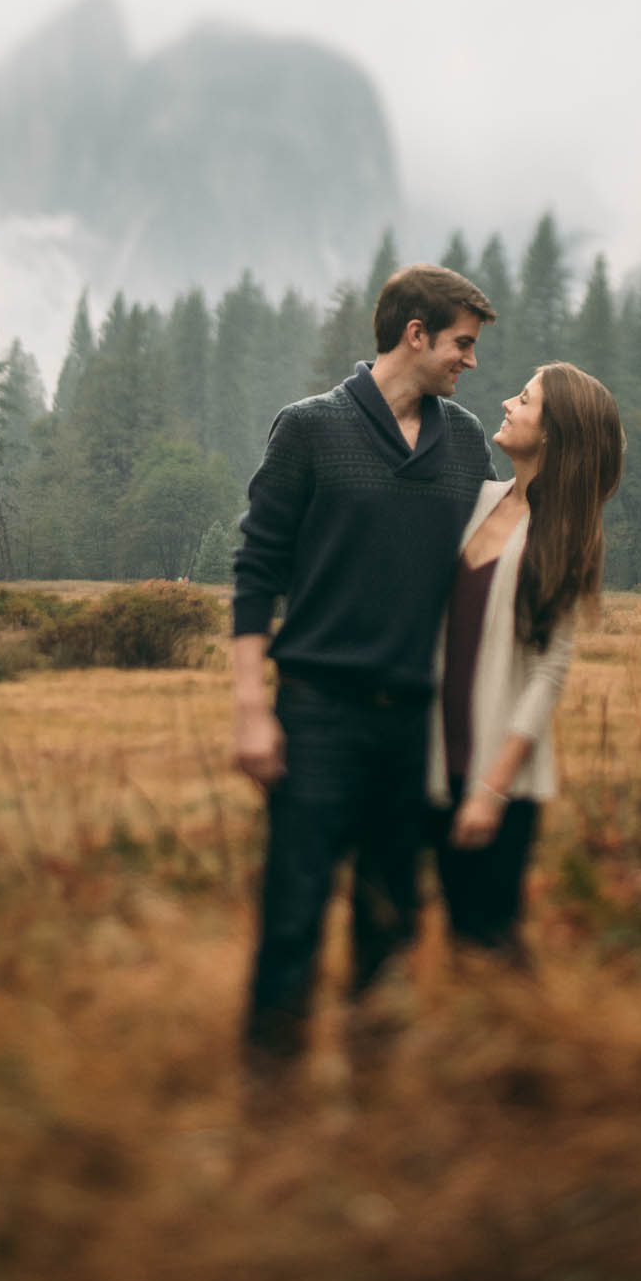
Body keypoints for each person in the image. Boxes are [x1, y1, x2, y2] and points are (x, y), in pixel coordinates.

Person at [231, 262, 497, 1076]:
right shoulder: (309, 428)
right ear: (414, 335)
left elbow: (484, 579)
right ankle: (268, 1105)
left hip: (412, 725)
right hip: (316, 713)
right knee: (293, 914)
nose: (470, 361)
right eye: (462, 343)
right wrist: (252, 709)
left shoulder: (466, 444)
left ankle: (372, 1110)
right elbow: (256, 571)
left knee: (390, 921)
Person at [427, 361, 625, 961]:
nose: (509, 404)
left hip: (496, 778)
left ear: (553, 431)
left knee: (491, 938)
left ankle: (536, 1046)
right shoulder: (476, 500)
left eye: (525, 398)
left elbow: (547, 674)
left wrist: (491, 789)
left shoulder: (563, 531)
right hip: (435, 764)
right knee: (458, 935)